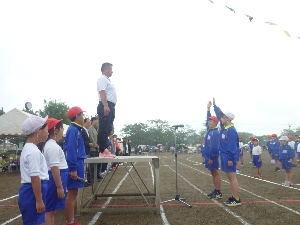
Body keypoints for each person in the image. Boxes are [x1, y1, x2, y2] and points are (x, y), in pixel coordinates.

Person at [18, 115, 49, 225]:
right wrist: (39, 200)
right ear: (38, 131)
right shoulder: (33, 152)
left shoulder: (30, 148)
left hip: (32, 192)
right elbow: (35, 178)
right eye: (46, 129)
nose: (48, 132)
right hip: (32, 193)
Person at [213, 98, 241, 206]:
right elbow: (218, 114)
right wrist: (215, 106)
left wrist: (230, 158)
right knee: (230, 177)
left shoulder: (231, 130)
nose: (220, 119)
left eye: (223, 117)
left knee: (232, 177)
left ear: (228, 118)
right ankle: (234, 196)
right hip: (224, 155)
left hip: (229, 156)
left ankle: (236, 199)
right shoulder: (225, 128)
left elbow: (232, 146)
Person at [42, 118, 68, 225]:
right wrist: (60, 187)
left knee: (51, 210)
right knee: (49, 211)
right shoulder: (52, 146)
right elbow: (54, 168)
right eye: (61, 128)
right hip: (53, 181)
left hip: (54, 180)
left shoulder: (52, 145)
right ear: (55, 130)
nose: (63, 131)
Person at [64, 106, 86, 225]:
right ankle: (70, 221)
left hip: (77, 162)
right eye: (82, 115)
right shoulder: (73, 130)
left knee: (74, 193)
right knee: (72, 194)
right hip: (75, 163)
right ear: (77, 116)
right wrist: (73, 168)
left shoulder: (76, 129)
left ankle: (71, 220)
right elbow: (71, 150)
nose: (83, 117)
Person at [97, 62, 117, 175]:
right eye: (110, 69)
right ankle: (102, 150)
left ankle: (105, 149)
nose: (112, 71)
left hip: (111, 105)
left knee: (108, 128)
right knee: (104, 127)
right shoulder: (102, 79)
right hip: (106, 104)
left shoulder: (108, 80)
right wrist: (105, 105)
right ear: (105, 69)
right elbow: (102, 92)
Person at [205, 101, 222, 199]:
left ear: (215, 123)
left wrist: (211, 157)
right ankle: (216, 189)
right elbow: (207, 118)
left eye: (211, 121)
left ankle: (218, 191)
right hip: (208, 155)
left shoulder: (215, 132)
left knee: (215, 172)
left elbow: (215, 147)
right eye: (209, 121)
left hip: (213, 156)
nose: (209, 122)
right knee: (212, 173)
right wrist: (208, 109)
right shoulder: (210, 130)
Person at [88, 117, 101, 181]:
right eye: (97, 121)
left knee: (95, 164)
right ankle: (90, 178)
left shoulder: (95, 129)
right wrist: (96, 145)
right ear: (93, 121)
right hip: (92, 149)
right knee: (92, 165)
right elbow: (91, 138)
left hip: (95, 149)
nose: (97, 122)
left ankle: (94, 177)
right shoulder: (90, 128)